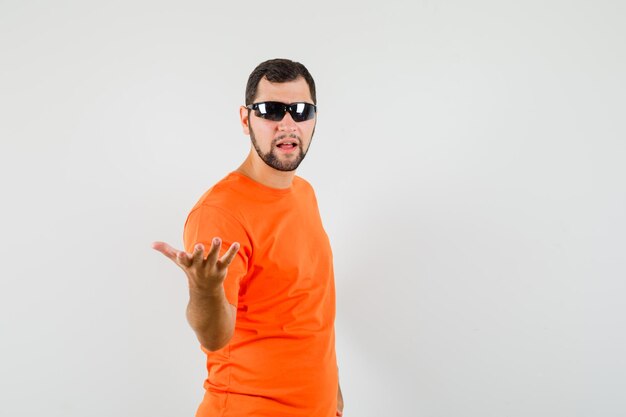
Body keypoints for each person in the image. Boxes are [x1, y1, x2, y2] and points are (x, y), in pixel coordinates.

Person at [152, 58, 344, 417]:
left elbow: (309, 310)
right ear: (246, 119)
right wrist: (205, 289)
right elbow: (214, 337)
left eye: (301, 111)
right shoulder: (220, 213)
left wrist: (332, 390)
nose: (288, 124)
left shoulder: (304, 193)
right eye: (272, 110)